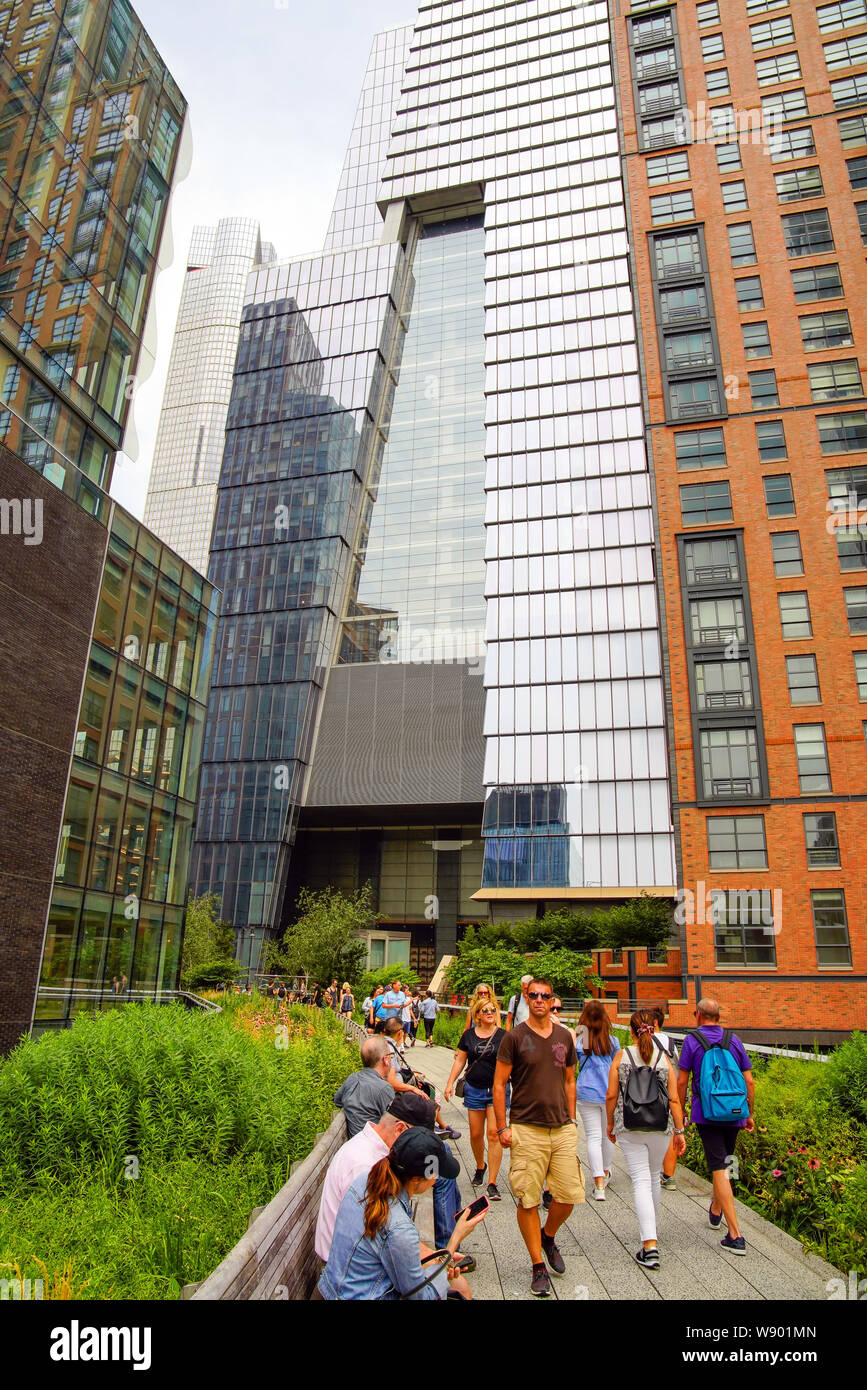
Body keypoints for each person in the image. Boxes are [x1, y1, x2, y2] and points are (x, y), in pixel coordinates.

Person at [493, 975, 584, 1297]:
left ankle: (548, 1235)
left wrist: (572, 1119)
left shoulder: (565, 1036)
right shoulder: (514, 1038)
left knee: (568, 1195)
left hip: (562, 1127)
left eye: (546, 996)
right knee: (528, 1198)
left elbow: (570, 1079)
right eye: (535, 995)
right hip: (526, 1127)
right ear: (527, 998)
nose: (541, 1000)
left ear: (552, 999)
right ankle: (537, 1265)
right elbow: (500, 1083)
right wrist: (502, 1126)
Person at [318, 1128, 486, 1301]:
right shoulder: (399, 1226)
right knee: (461, 1291)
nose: (437, 1180)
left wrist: (438, 1258)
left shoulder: (365, 1180)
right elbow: (422, 1297)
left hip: (336, 1289)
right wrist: (455, 1239)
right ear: (416, 1179)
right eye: (436, 1173)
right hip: (363, 1294)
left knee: (460, 1287)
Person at [605, 1008, 686, 1269]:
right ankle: (652, 1231)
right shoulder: (664, 1058)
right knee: (652, 1176)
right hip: (660, 1126)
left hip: (629, 1125)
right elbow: (674, 1098)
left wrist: (610, 1124)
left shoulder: (623, 1055)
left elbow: (610, 1095)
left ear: (630, 1030)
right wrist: (680, 1131)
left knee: (640, 1180)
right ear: (654, 1029)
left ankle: (649, 1245)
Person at [315, 1090, 436, 1260]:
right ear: (400, 1129)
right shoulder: (366, 1165)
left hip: (358, 1251)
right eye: (419, 1140)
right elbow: (383, 1234)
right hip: (348, 1267)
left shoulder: (371, 1147)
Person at [677, 997, 754, 1256]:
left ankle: (735, 1235)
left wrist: (683, 1110)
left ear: (698, 1015)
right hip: (734, 1111)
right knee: (726, 1162)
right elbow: (749, 1081)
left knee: (720, 1166)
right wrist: (749, 1114)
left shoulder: (691, 1041)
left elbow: (682, 1080)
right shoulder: (734, 1039)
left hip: (707, 1112)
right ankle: (716, 1209)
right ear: (718, 1017)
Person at [444, 997, 508, 1201]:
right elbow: (460, 1061)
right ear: (477, 1015)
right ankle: (480, 1166)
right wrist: (449, 1083)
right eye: (485, 1010)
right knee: (475, 1134)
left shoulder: (504, 1036)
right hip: (474, 1089)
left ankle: (492, 1182)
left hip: (497, 1091)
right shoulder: (468, 1036)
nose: (490, 1013)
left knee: (493, 1134)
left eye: (493, 1010)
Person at [575, 1000, 620, 1201]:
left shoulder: (581, 1042)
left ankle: (598, 1183)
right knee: (607, 1135)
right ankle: (606, 1171)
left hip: (586, 1092)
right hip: (608, 1093)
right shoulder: (612, 1042)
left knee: (592, 1137)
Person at [333, 1037, 395, 1138]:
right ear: (385, 1060)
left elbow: (337, 1101)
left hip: (354, 1143)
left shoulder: (352, 1078)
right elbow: (392, 1125)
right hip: (372, 1147)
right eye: (390, 1056)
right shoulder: (384, 1088)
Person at [652, 1006, 680, 1191]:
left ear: (653, 1023)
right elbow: (676, 1068)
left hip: (650, 1093)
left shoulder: (647, 1040)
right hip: (669, 1093)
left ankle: (652, 1173)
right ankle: (669, 1177)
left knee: (650, 1131)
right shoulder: (670, 1042)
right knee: (670, 1132)